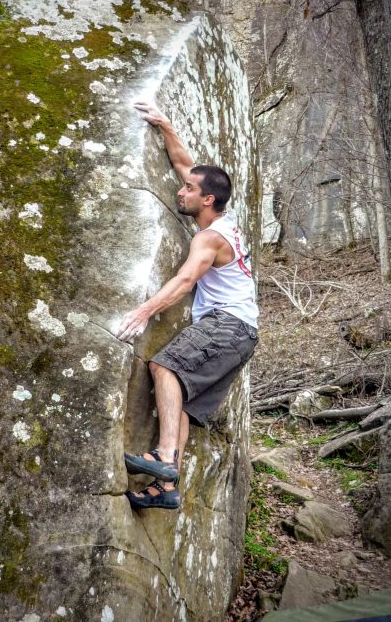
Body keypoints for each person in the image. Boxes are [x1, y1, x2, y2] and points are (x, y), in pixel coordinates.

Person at [116, 101, 259, 510]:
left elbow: (184, 281)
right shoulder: (220, 218)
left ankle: (163, 459)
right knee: (180, 403)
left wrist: (143, 312)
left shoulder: (209, 239)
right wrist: (164, 125)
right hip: (242, 334)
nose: (181, 190)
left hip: (227, 325)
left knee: (164, 367)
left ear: (207, 199)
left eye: (189, 190)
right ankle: (166, 489)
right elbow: (184, 163)